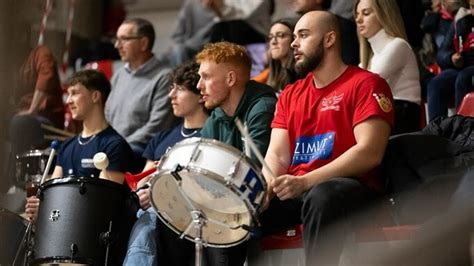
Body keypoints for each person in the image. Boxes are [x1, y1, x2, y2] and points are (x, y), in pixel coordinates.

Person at [261, 11, 394, 265]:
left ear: (329, 39)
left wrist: (306, 182)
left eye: (303, 35)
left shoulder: (366, 84)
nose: (293, 43)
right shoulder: (290, 94)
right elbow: (277, 155)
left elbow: (369, 152)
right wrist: (266, 188)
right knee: (241, 212)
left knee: (322, 195)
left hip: (351, 188)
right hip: (300, 190)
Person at [154, 41, 277, 266]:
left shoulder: (263, 107)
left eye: (206, 77)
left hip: (262, 203)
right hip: (223, 198)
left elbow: (252, 175)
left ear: (230, 79)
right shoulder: (216, 115)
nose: (199, 85)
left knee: (216, 220)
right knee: (167, 214)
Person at [123, 60, 209, 265]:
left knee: (148, 221)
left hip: (191, 212)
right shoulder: (161, 138)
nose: (171, 95)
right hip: (157, 209)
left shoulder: (211, 135)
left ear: (199, 95)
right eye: (171, 88)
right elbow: (143, 180)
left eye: (179, 89)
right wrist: (144, 191)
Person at [25, 69, 135, 222]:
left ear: (95, 96)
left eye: (75, 93)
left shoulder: (114, 145)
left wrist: (51, 209)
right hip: (63, 228)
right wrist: (42, 210)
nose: (68, 100)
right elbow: (52, 194)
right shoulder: (66, 146)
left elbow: (104, 204)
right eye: (68, 94)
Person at [105, 18, 178, 160]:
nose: (116, 45)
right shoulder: (119, 75)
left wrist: (117, 145)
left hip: (141, 150)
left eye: (124, 39)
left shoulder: (164, 77)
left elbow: (157, 126)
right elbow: (107, 114)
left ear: (143, 43)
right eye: (116, 39)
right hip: (114, 147)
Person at [355, 0, 421, 134]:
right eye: (357, 14)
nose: (358, 19)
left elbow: (368, 83)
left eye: (366, 13)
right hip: (384, 113)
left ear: (383, 14)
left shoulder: (398, 45)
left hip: (403, 115)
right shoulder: (367, 60)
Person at [8, 46, 64, 169]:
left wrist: (32, 109)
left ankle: (16, 177)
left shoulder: (41, 53)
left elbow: (47, 75)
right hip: (21, 116)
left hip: (46, 120)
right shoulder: (11, 61)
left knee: (19, 123)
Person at [427, 0, 474, 121]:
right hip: (461, 66)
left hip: (468, 71)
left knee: (464, 78)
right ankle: (436, 131)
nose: (472, 12)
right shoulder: (461, 20)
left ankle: (462, 128)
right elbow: (441, 53)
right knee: (436, 83)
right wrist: (451, 57)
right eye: (472, 7)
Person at [290, 0, 360, 65]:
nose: (293, 44)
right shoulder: (292, 27)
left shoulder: (341, 26)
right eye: (295, 37)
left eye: (304, 35)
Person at [253, 17, 300, 94]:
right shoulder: (271, 72)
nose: (273, 42)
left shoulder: (301, 75)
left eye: (280, 35)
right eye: (270, 37)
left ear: (294, 40)